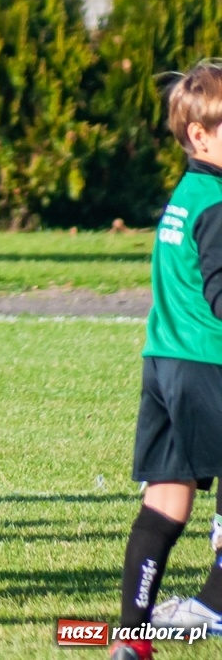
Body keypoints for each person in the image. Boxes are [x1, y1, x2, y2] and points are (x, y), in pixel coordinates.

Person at [106, 62, 222, 660]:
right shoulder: (218, 204)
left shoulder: (187, 195)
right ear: (199, 135)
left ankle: (133, 635)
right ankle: (215, 608)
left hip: (166, 361)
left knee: (166, 499)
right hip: (208, 363)